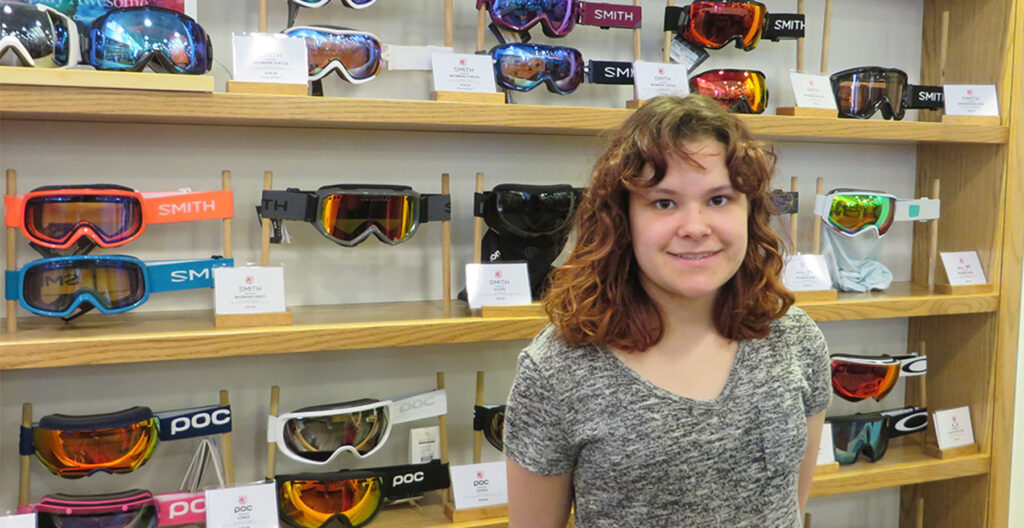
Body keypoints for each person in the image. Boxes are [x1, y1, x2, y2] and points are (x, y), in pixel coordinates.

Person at [503, 95, 831, 528]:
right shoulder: (558, 370)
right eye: (663, 202)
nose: (695, 227)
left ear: (750, 212)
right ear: (624, 219)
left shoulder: (795, 338)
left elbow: (790, 505)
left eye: (718, 199)